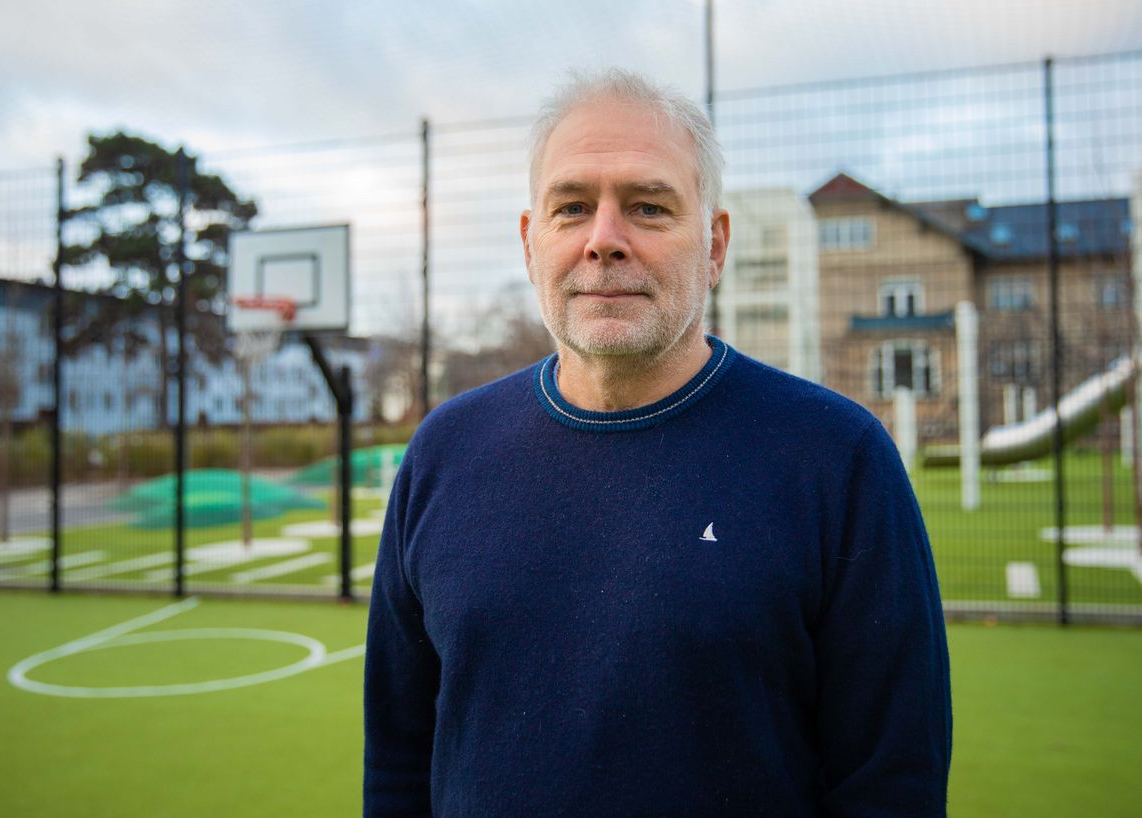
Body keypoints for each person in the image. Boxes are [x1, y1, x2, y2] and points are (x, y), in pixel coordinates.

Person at [364, 68, 951, 817]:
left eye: (647, 206)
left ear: (714, 245)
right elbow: (396, 762)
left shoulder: (838, 459)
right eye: (572, 207)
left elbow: (892, 782)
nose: (603, 241)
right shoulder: (442, 454)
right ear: (529, 241)